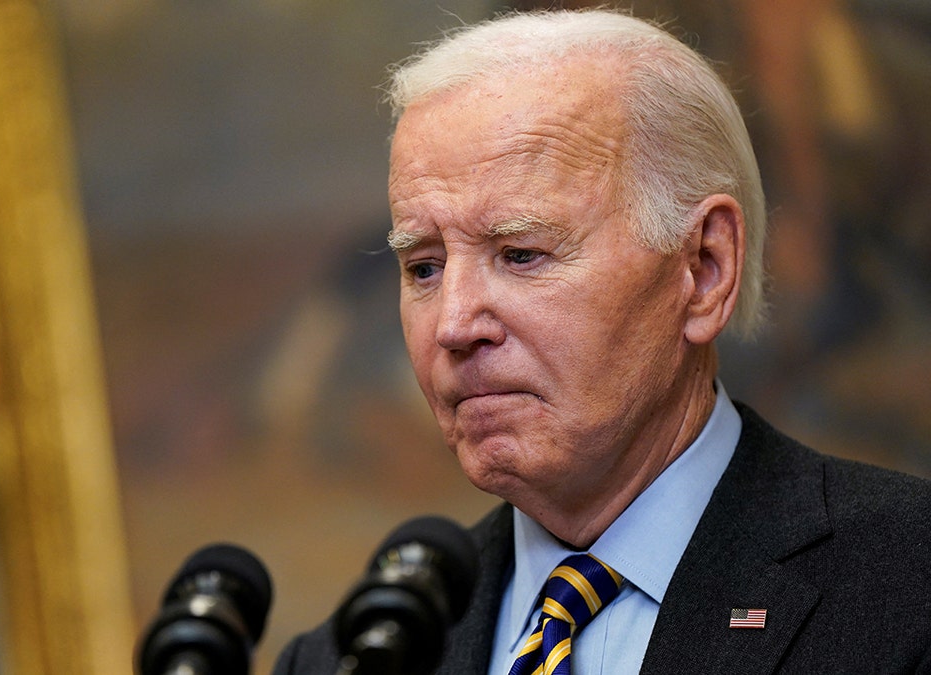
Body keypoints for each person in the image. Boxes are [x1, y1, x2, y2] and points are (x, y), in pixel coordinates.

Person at [273, 8, 931, 674]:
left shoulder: (908, 584)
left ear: (704, 268)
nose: (452, 325)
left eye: (521, 253)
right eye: (424, 267)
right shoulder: (347, 658)